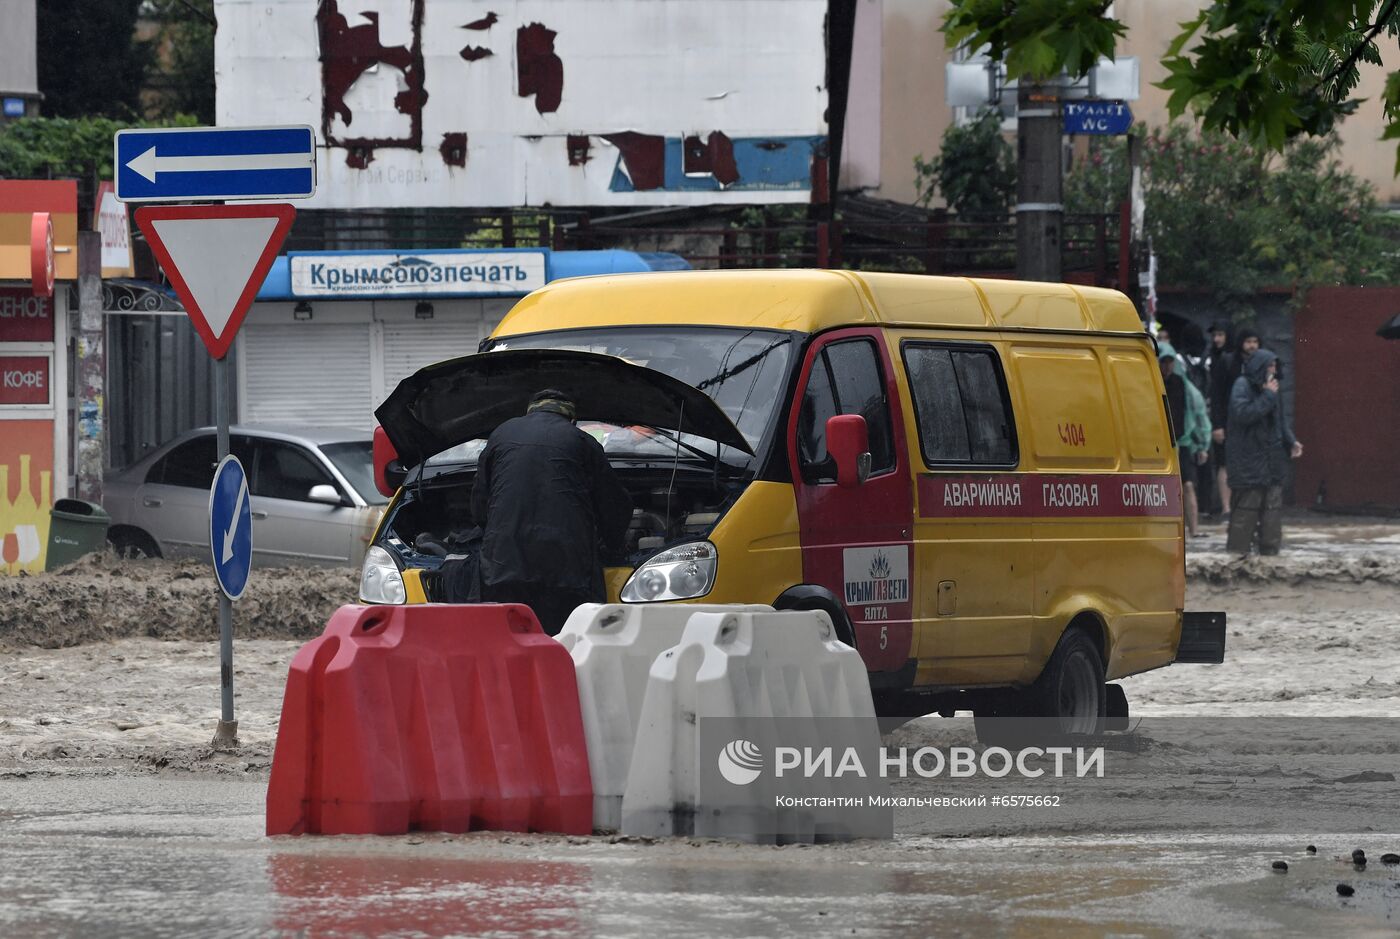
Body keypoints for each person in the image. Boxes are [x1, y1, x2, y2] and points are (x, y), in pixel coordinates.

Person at [471, 389, 633, 634]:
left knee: (511, 643)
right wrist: (614, 546)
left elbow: (479, 506)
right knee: (565, 643)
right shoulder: (581, 440)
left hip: (503, 568)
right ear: (571, 419)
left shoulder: (501, 435)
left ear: (529, 412)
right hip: (566, 573)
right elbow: (613, 506)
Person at [1226, 350, 1302, 555]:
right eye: (1270, 366)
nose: (1273, 371)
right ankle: (1236, 559)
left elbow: (1280, 421)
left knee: (1272, 513)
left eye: (1275, 367)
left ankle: (1270, 557)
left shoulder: (1273, 388)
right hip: (1248, 463)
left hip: (1272, 461)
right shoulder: (1242, 385)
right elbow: (1243, 414)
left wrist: (1291, 441)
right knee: (1245, 513)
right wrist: (1268, 395)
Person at [1159, 346, 1210, 537]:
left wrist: (1202, 444)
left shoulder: (1182, 384)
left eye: (1170, 361)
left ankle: (1194, 530)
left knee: (1188, 485)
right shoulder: (1152, 383)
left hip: (1183, 442)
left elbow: (1195, 415)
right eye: (1163, 362)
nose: (1167, 366)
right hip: (1160, 445)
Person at [1205, 323, 1233, 518]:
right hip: (1219, 418)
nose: (1217, 339)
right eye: (1215, 335)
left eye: (1220, 334)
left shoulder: (1231, 359)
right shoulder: (1210, 358)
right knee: (1222, 463)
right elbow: (1215, 395)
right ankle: (1226, 507)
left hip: (1233, 417)